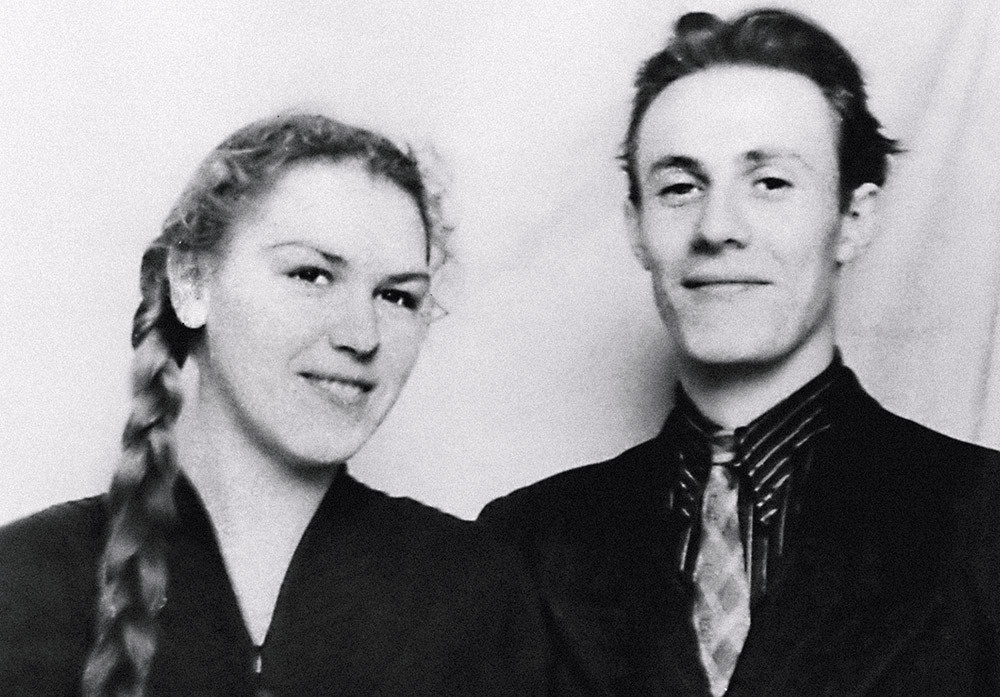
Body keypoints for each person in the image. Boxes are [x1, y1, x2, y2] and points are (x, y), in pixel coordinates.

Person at [480, 8, 1000, 697]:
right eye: (680, 188)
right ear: (636, 227)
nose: (718, 227)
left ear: (854, 218)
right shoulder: (523, 541)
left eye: (771, 183)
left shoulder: (985, 518)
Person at [0, 113, 548, 696]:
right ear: (191, 282)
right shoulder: (24, 580)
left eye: (396, 296)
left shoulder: (474, 591)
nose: (361, 336)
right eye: (311, 275)